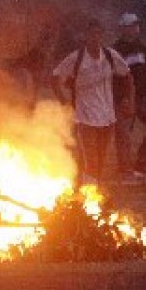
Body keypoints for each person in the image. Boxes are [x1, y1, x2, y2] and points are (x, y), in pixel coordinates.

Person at [53, 19, 134, 186]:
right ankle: (88, 193)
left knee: (101, 157)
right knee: (91, 157)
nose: (95, 38)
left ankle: (88, 190)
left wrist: (129, 100)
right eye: (91, 34)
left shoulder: (111, 56)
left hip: (107, 116)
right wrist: (63, 101)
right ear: (85, 37)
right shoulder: (77, 58)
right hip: (85, 117)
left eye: (98, 34)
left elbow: (127, 76)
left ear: (102, 36)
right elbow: (54, 78)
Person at [112, 13, 146, 182]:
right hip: (123, 98)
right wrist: (123, 99)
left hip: (143, 96)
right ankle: (125, 171)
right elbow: (115, 78)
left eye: (135, 25)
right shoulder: (116, 50)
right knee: (124, 134)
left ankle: (142, 165)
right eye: (130, 26)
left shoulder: (142, 48)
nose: (134, 29)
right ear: (123, 29)